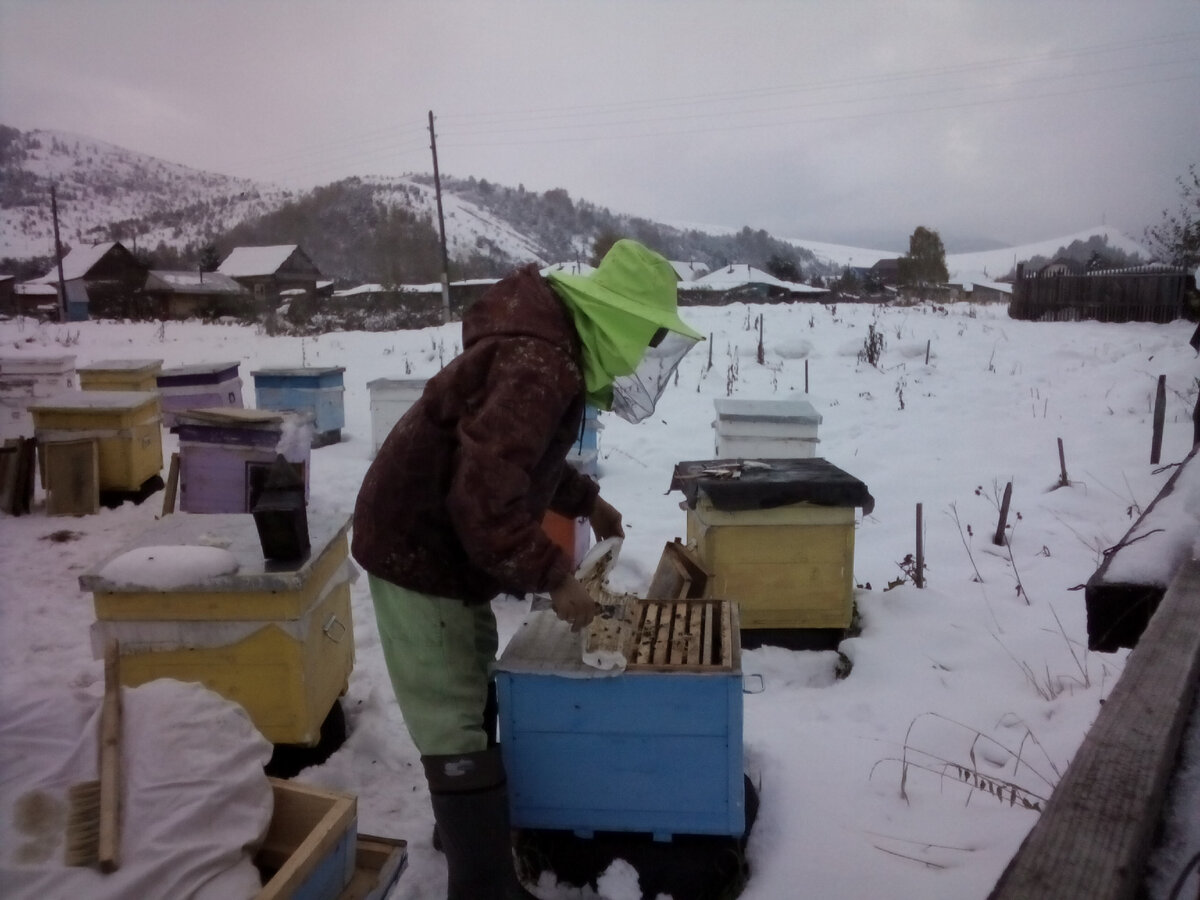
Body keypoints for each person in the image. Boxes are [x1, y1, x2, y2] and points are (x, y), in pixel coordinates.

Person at [351, 239, 702, 899]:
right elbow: (483, 492)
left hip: (438, 538)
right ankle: (482, 883)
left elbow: (511, 454)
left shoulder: (549, 356)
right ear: (619, 318)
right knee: (450, 699)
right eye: (650, 332)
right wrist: (554, 575)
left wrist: (583, 498)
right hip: (417, 543)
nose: (647, 348)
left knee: (474, 671)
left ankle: (465, 829)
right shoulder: (540, 365)